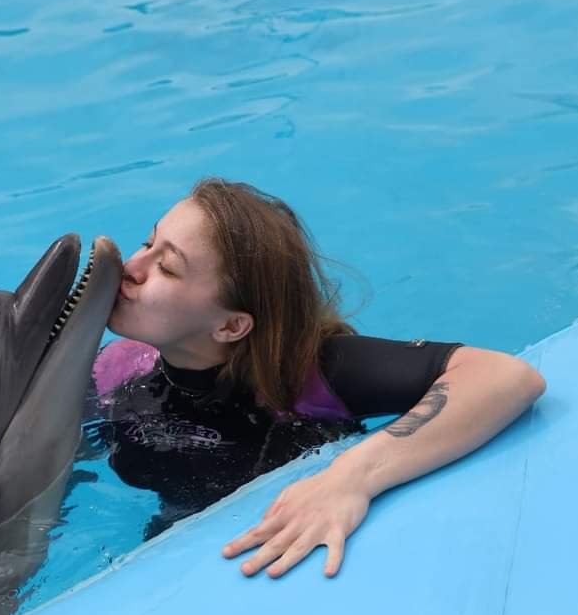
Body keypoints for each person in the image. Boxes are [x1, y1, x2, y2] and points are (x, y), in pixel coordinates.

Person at [85, 177, 546, 579]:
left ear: (231, 326)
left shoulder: (312, 374)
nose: (132, 268)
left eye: (167, 267)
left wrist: (352, 478)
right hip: (185, 555)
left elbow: (503, 375)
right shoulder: (118, 370)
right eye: (147, 243)